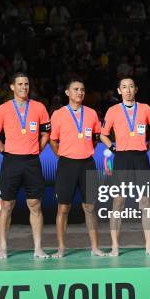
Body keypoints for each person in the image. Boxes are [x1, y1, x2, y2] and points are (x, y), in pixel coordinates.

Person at [0, 73, 51, 259]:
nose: (24, 87)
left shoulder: (39, 107)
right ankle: (3, 247)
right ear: (12, 87)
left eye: (26, 84)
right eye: (20, 84)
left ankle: (38, 248)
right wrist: (5, 151)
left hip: (32, 161)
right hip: (11, 161)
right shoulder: (3, 109)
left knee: (35, 205)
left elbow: (46, 133)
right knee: (7, 205)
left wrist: (36, 150)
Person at [100, 77, 150, 257]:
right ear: (119, 91)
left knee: (146, 203)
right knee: (118, 201)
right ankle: (115, 247)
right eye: (124, 87)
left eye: (131, 87)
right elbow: (103, 135)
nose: (127, 90)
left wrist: (146, 148)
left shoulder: (146, 109)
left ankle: (148, 246)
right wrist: (113, 148)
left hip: (141, 158)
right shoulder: (112, 111)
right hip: (122, 158)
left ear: (136, 89)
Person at [49, 78, 106, 258]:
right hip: (66, 164)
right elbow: (52, 139)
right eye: (75, 89)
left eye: (82, 89)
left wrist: (85, 151)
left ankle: (95, 247)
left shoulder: (91, 114)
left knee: (89, 208)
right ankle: (61, 248)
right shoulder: (58, 114)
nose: (80, 92)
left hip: (87, 164)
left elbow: (96, 138)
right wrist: (62, 155)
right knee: (63, 208)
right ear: (67, 93)